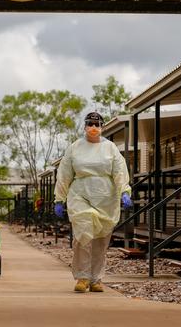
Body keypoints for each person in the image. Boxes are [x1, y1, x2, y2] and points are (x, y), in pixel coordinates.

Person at [53, 112, 132, 293]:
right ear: (85, 126)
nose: (93, 128)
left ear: (102, 127)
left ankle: (96, 278)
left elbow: (119, 171)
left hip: (106, 197)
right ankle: (82, 277)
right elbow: (64, 174)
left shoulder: (110, 148)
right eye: (90, 124)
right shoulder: (75, 148)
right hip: (80, 194)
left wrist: (124, 191)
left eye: (97, 124)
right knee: (83, 233)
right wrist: (59, 198)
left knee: (101, 240)